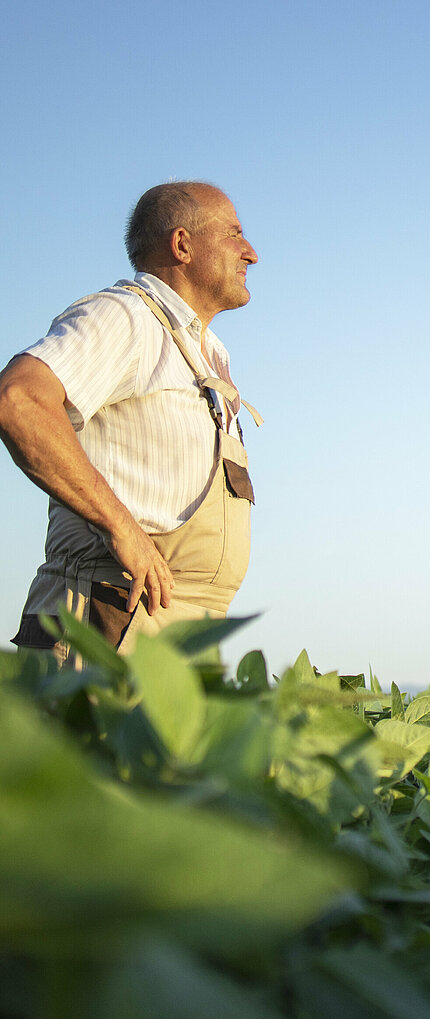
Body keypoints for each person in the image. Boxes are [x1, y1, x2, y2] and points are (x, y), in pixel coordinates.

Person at [0, 181, 261, 665]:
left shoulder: (209, 355)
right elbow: (19, 400)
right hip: (105, 624)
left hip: (179, 641)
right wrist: (120, 526)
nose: (252, 253)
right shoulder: (127, 317)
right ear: (182, 245)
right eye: (234, 234)